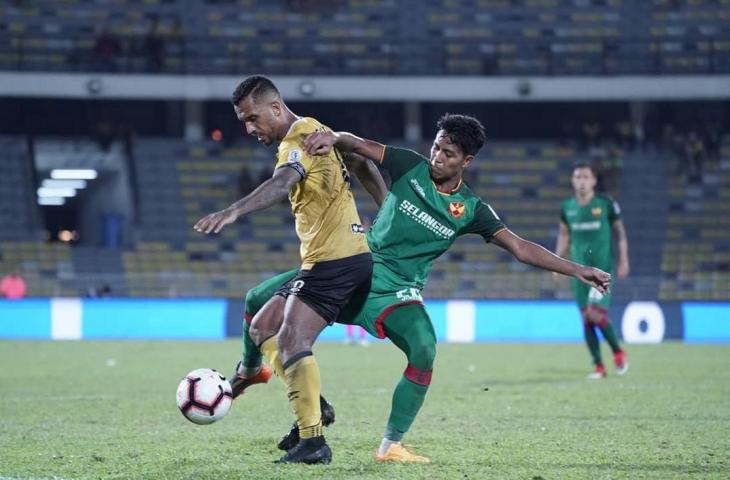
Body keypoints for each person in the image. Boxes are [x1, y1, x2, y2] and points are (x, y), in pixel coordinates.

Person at [237, 114, 612, 463]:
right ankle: (254, 370)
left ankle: (391, 445)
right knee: (257, 300)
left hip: (397, 289)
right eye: (436, 147)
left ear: (466, 161)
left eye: (448, 153)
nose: (437, 157)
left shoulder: (470, 209)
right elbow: (361, 145)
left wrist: (577, 269)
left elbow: (520, 247)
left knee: (424, 349)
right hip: (354, 266)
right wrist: (335, 137)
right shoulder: (410, 166)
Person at [194, 75, 374, 465]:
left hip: (335, 261)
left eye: (254, 118)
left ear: (276, 108)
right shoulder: (319, 130)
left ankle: (313, 442)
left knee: (292, 341)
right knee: (261, 326)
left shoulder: (299, 141)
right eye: (244, 121)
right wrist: (386, 205)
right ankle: (315, 407)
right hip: (329, 258)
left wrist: (232, 211)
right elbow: (359, 159)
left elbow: (281, 183)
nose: (250, 129)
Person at [555, 163, 630, 379]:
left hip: (602, 269)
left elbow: (620, 233)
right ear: (572, 180)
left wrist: (624, 259)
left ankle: (618, 352)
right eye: (577, 177)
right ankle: (599, 366)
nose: (581, 181)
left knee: (594, 314)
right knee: (585, 319)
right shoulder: (567, 207)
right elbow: (564, 236)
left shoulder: (605, 204)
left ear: (594, 181)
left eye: (586, 177)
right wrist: (557, 264)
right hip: (578, 272)